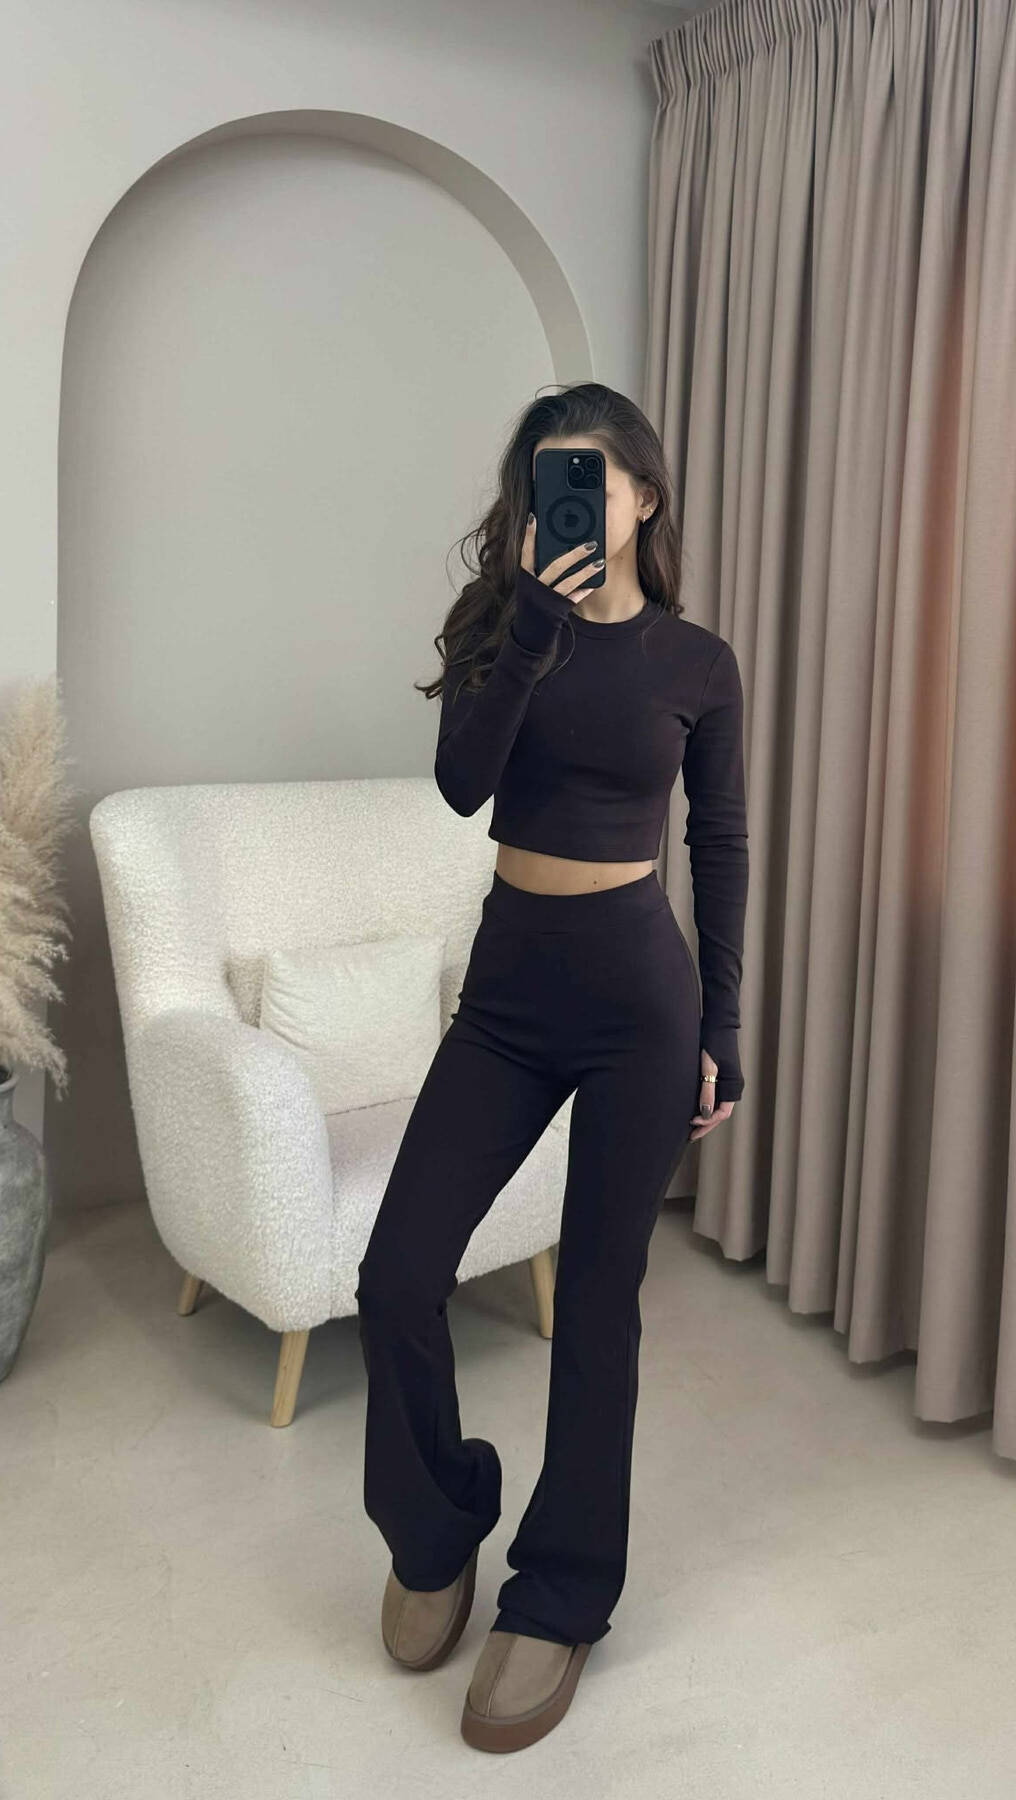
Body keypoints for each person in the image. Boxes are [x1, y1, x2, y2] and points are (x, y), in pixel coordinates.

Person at [354, 381, 749, 1754]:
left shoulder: (698, 662)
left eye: (588, 476)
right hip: (511, 992)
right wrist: (529, 620)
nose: (563, 500)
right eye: (543, 480)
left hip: (640, 999)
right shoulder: (498, 625)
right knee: (397, 1274)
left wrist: (722, 1029)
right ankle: (437, 1525)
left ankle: (563, 1593)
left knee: (597, 1305)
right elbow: (464, 785)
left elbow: (718, 846)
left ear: (644, 494)